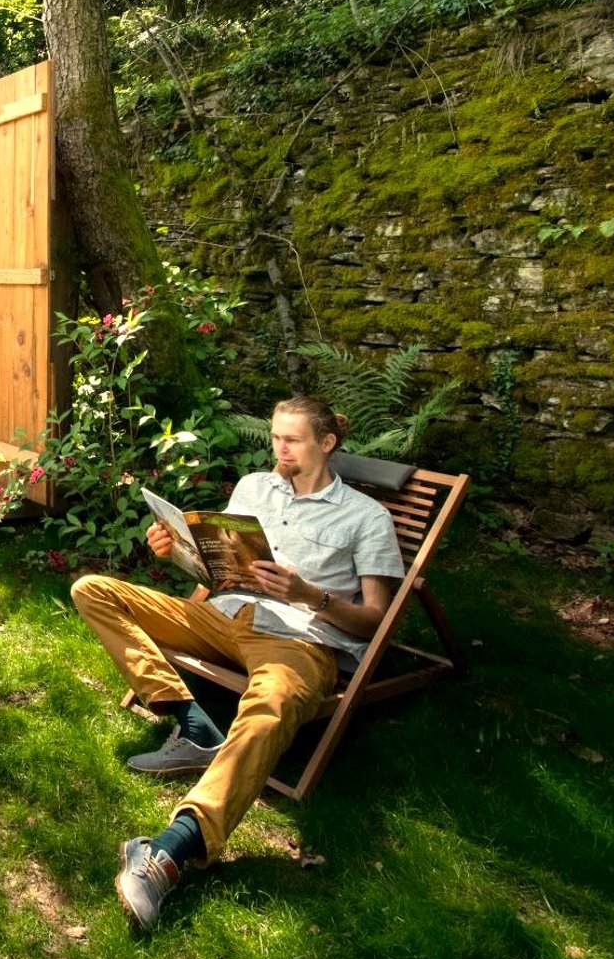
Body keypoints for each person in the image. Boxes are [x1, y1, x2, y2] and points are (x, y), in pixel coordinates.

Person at [69, 395, 405, 931]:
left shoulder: (366, 518)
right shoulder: (254, 488)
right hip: (225, 616)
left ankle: (169, 852)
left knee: (270, 704)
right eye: (275, 437)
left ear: (327, 444)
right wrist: (178, 549)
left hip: (300, 640)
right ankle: (195, 724)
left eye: (291, 440)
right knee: (94, 590)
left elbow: (375, 621)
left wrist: (307, 593)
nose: (280, 449)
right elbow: (221, 568)